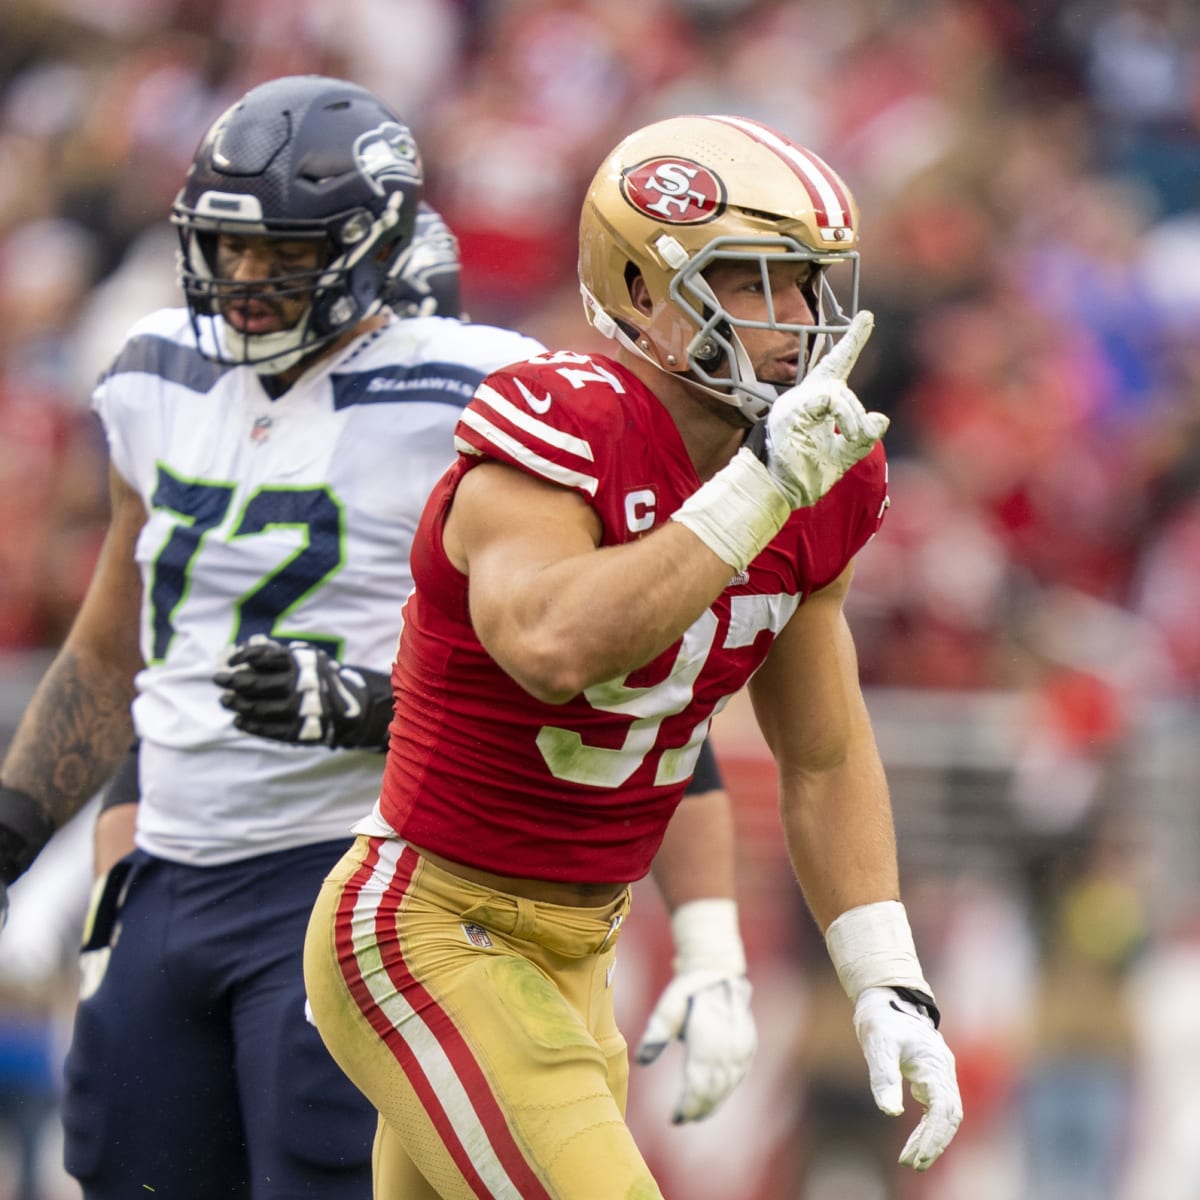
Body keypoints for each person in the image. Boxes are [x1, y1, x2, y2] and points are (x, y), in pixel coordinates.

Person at [0, 75, 756, 1199]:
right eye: (228, 249)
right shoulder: (153, 370)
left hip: (352, 868)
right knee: (126, 1173)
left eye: (281, 255)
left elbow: (618, 672)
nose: (244, 283)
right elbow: (115, 650)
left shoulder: (481, 389)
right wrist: (15, 830)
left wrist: (708, 928)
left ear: (369, 245)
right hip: (173, 871)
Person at [303, 112, 965, 1200]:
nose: (797, 321)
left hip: (581, 952)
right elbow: (551, 644)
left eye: (809, 285)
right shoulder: (559, 422)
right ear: (641, 288)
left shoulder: (821, 479)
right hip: (432, 930)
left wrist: (885, 977)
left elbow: (824, 755)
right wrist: (755, 491)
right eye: (756, 281)